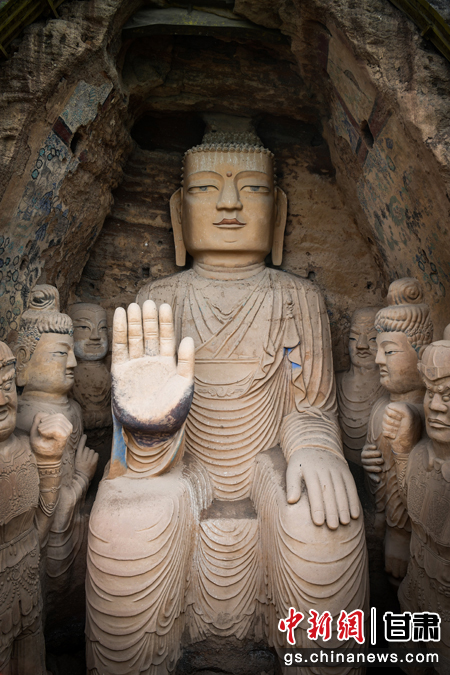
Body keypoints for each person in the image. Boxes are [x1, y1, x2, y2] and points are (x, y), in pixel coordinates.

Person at [86, 125, 368, 674]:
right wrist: (149, 430)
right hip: (181, 462)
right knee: (125, 521)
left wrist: (315, 448)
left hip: (268, 462)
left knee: (324, 523)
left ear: (278, 213)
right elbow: (134, 440)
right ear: (178, 213)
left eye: (253, 189)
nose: (230, 204)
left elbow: (309, 406)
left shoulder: (298, 298)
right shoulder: (158, 299)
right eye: (206, 188)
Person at [13, 285, 98, 601]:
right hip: (48, 535)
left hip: (72, 519)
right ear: (24, 361)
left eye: (72, 352)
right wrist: (83, 478)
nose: (73, 363)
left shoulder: (72, 409)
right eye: (61, 353)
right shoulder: (27, 419)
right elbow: (49, 505)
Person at [0, 340, 72, 674]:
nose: (3, 399)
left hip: (27, 593)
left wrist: (48, 460)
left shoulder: (21, 448)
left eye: (6, 385)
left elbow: (38, 527)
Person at [383, 340, 450, 673]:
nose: (435, 407)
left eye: (448, 396)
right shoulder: (422, 453)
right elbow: (412, 503)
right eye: (431, 393)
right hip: (416, 590)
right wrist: (401, 450)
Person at [361, 278, 433, 581]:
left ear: (421, 354)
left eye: (389, 352)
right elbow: (381, 470)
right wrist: (369, 461)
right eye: (379, 350)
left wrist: (400, 533)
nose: (378, 360)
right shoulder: (381, 406)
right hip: (382, 522)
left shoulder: (426, 413)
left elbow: (422, 479)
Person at [336, 306, 385, 464]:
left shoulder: (389, 388)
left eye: (372, 338)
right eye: (353, 338)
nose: (361, 345)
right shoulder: (336, 383)